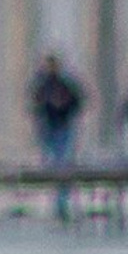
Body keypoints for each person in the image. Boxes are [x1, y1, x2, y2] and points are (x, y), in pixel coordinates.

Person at [32, 50, 87, 218]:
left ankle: (61, 202)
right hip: (50, 127)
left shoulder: (65, 82)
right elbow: (36, 102)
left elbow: (78, 100)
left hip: (63, 127)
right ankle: (59, 201)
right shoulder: (43, 83)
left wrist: (66, 109)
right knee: (54, 162)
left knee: (62, 163)